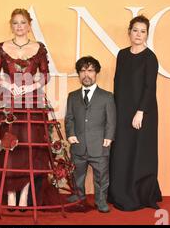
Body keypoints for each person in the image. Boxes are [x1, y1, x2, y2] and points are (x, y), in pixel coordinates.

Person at [0, 8, 65, 211]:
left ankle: (24, 196)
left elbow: (45, 75)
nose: (19, 26)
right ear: (11, 25)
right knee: (9, 149)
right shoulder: (2, 47)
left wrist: (30, 86)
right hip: (8, 103)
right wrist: (9, 85)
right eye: (15, 23)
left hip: (33, 104)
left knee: (32, 150)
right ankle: (11, 196)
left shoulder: (38, 48)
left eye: (23, 22)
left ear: (29, 25)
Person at [108, 15, 163, 211]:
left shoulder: (150, 57)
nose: (138, 35)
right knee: (122, 151)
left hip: (143, 113)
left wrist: (140, 112)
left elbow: (150, 88)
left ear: (147, 34)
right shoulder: (122, 55)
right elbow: (118, 84)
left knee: (140, 152)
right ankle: (119, 191)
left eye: (143, 31)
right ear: (129, 32)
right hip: (122, 111)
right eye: (135, 30)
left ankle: (140, 192)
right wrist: (114, 111)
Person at [65, 56, 116, 213]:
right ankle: (79, 196)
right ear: (79, 74)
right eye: (82, 71)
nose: (86, 74)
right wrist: (70, 134)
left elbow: (111, 119)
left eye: (90, 70)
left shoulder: (107, 96)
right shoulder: (72, 96)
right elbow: (69, 118)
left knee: (101, 177)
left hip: (100, 144)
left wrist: (109, 137)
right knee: (77, 174)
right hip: (78, 144)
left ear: (96, 73)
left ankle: (101, 201)